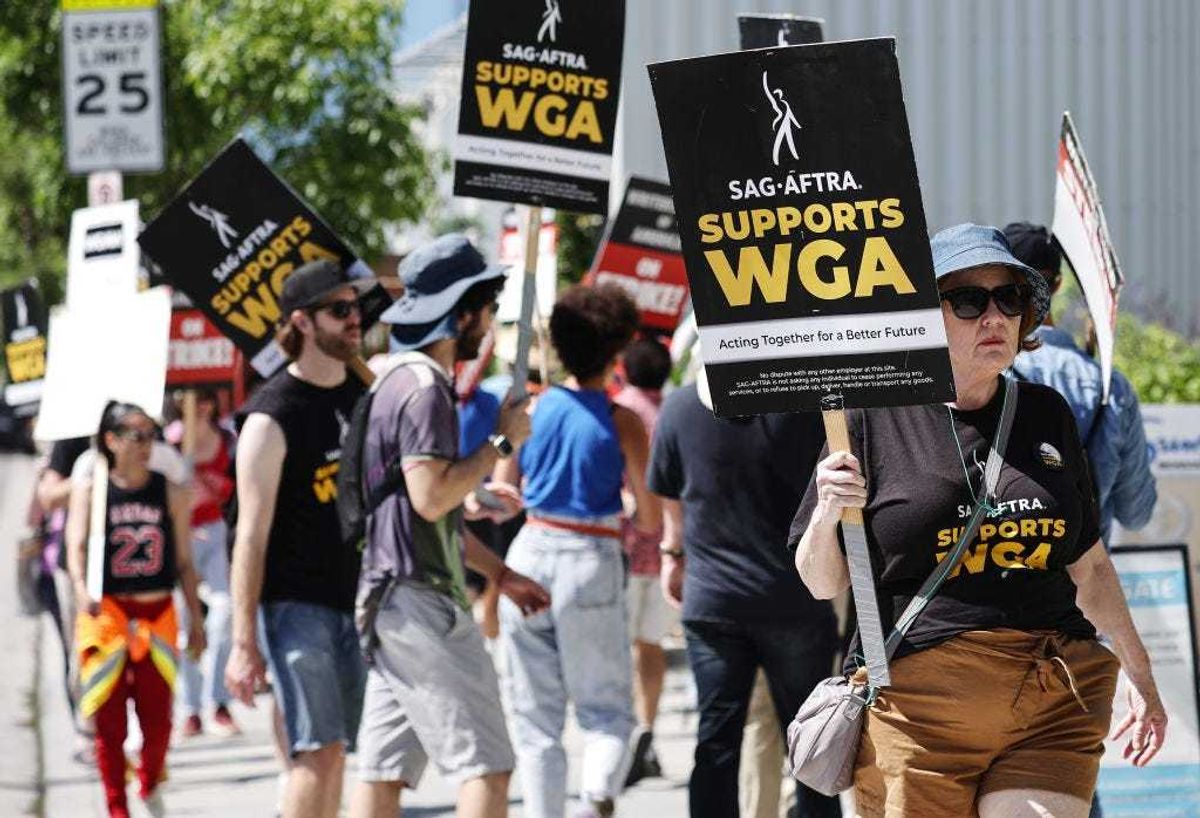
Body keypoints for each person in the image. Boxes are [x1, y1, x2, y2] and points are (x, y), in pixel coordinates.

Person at [791, 223, 1168, 817]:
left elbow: (1090, 567)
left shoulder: (1047, 413)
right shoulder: (871, 416)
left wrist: (1142, 679)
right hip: (920, 706)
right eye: (968, 300)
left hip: (1053, 689)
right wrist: (827, 512)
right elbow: (822, 582)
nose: (994, 317)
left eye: (1010, 299)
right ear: (924, 316)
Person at [349, 234, 550, 818]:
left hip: (389, 597)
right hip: (420, 602)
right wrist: (501, 442)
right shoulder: (423, 389)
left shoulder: (390, 380)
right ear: (461, 313)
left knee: (383, 772)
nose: (488, 327)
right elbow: (433, 496)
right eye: (485, 312)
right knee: (487, 766)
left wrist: (500, 572)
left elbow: (423, 508)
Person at [646, 365, 840, 818]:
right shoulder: (802, 402)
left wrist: (672, 557)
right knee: (812, 741)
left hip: (713, 603)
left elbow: (670, 499)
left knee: (716, 742)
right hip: (794, 600)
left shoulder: (677, 408)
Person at [494, 284, 658, 818]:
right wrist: (629, 505)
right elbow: (651, 517)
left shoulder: (529, 409)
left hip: (529, 551)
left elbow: (503, 491)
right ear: (617, 352)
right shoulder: (623, 421)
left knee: (535, 719)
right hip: (591, 556)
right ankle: (595, 801)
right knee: (606, 712)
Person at [224, 259, 373, 818]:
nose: (354, 319)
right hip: (296, 606)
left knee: (339, 756)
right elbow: (250, 538)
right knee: (319, 750)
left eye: (355, 307)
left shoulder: (361, 394)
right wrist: (244, 643)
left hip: (356, 598)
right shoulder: (270, 417)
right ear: (302, 322)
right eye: (340, 310)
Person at [65, 401, 206, 818]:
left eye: (151, 434)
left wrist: (196, 619)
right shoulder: (92, 488)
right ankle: (116, 808)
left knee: (159, 720)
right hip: (107, 616)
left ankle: (148, 781)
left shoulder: (170, 490)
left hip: (157, 614)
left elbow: (183, 560)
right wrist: (79, 589)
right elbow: (74, 548)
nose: (147, 444)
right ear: (110, 440)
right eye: (136, 435)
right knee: (108, 725)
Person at [1004, 222, 1157, 543]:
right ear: (1057, 285)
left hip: (1007, 578)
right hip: (1087, 579)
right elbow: (1136, 513)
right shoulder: (1110, 386)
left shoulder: (988, 373)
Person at [612, 337, 675, 787]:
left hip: (622, 547)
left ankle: (618, 740)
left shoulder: (618, 412)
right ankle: (645, 729)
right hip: (665, 550)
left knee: (617, 650)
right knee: (650, 646)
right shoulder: (672, 413)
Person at [166, 387, 240, 737]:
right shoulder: (172, 442)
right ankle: (191, 709)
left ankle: (218, 702)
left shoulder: (229, 437)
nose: (200, 405)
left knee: (224, 617)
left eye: (205, 397)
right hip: (184, 536)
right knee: (184, 622)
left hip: (218, 533)